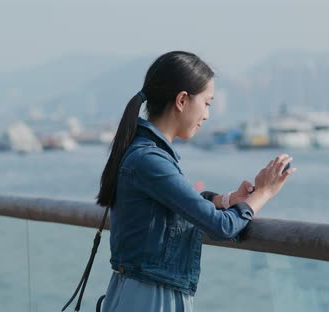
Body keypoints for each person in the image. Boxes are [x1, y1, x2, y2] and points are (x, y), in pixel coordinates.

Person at [96, 51, 295, 311]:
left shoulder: (143, 153)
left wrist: (226, 200)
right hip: (152, 298)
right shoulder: (150, 160)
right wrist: (264, 193)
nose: (207, 115)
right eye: (207, 103)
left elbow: (172, 206)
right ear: (182, 100)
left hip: (142, 292)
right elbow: (221, 227)